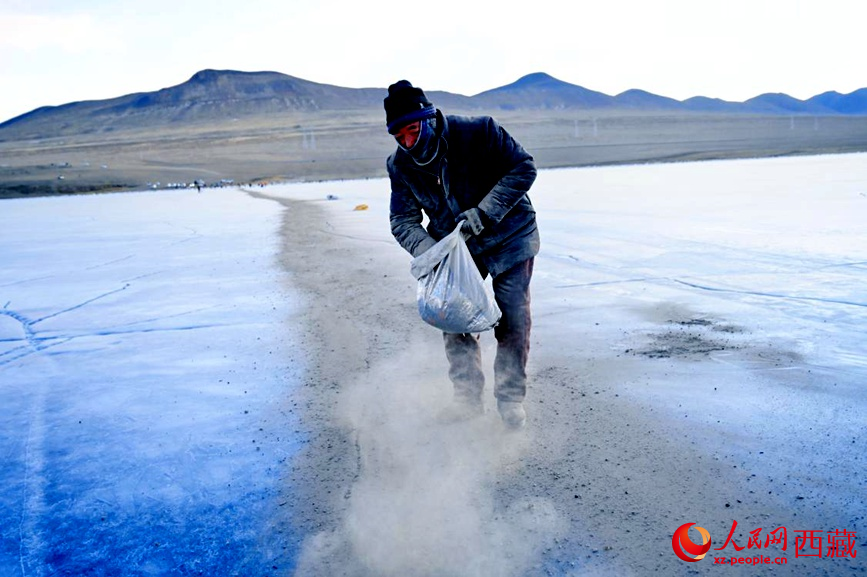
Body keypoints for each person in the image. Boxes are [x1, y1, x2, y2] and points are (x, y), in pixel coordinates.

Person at [384, 80, 540, 430]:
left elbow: (523, 168)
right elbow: (402, 220)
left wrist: (485, 212)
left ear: (429, 119)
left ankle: (510, 398)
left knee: (513, 316)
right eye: (399, 137)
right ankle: (467, 400)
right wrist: (434, 254)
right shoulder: (400, 165)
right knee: (452, 319)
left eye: (412, 132)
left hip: (512, 236)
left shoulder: (479, 132)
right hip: (457, 250)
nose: (408, 143)